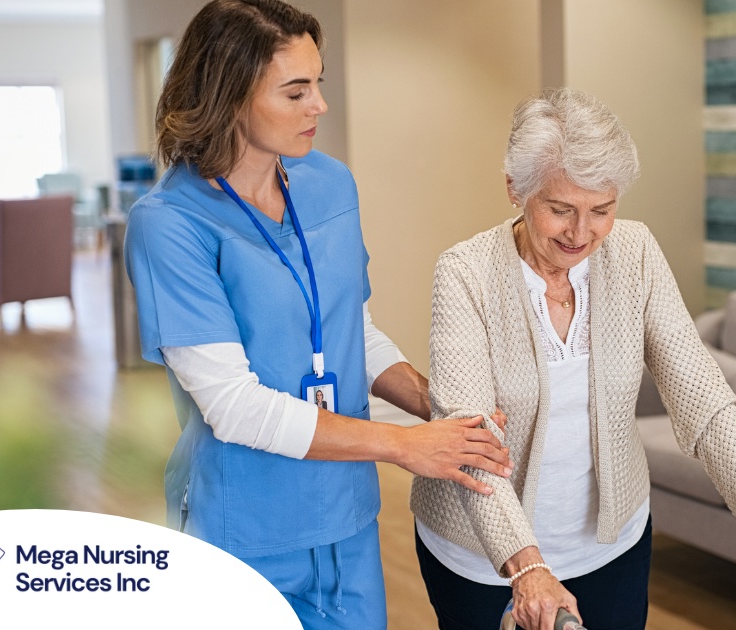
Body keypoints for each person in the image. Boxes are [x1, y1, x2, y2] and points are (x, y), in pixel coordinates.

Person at [409, 88, 736, 630]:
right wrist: (527, 567)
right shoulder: (466, 273)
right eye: (560, 210)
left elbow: (702, 398)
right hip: (482, 557)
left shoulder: (635, 251)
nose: (582, 233)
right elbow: (470, 438)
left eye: (602, 209)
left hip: (610, 544)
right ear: (515, 189)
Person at [123, 1, 512, 626]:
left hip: (346, 516)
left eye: (318, 84)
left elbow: (346, 327)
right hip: (245, 526)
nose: (319, 107)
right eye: (296, 90)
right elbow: (232, 404)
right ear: (228, 96)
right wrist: (406, 446)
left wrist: (437, 407)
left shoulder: (329, 183)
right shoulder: (169, 224)